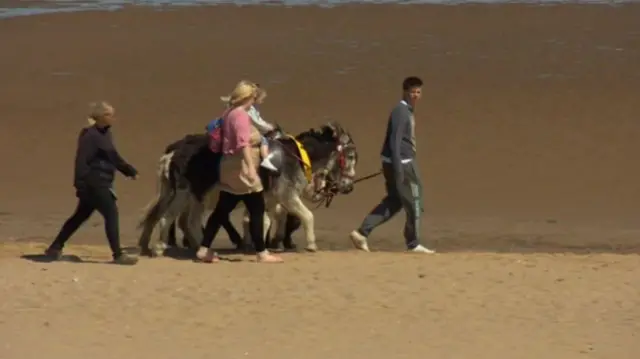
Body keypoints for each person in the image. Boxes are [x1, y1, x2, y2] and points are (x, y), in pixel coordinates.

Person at [196, 80, 283, 263]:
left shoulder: (228, 113)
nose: (254, 100)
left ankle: (204, 249)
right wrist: (251, 168)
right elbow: (243, 144)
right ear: (248, 97)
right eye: (253, 97)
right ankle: (262, 252)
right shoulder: (241, 116)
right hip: (242, 166)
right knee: (257, 209)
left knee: (222, 210)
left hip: (228, 167)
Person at [44, 101, 140, 265]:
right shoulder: (90, 136)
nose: (113, 118)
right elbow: (81, 160)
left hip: (101, 181)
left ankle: (55, 247)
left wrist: (128, 170)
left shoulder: (105, 134)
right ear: (101, 117)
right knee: (111, 214)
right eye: (110, 115)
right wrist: (80, 184)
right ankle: (118, 255)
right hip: (94, 182)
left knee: (80, 216)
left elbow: (112, 156)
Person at [349, 76, 435, 254]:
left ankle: (361, 233)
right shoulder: (401, 112)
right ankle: (413, 243)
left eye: (418, 92)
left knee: (395, 201)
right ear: (404, 92)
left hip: (395, 162)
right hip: (403, 163)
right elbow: (394, 141)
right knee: (415, 200)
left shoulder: (406, 111)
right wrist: (397, 169)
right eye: (412, 92)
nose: (415, 96)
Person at [221, 84, 278, 173]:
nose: (262, 101)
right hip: (240, 160)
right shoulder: (246, 111)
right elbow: (257, 123)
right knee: (264, 140)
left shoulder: (232, 111)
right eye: (261, 99)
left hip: (229, 158)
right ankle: (266, 158)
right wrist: (269, 127)